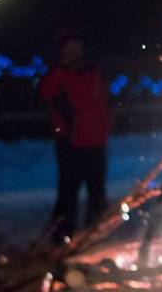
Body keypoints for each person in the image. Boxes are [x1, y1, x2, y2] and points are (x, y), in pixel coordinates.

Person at [39, 30, 111, 242]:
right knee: (68, 194)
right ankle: (61, 237)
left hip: (96, 142)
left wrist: (105, 127)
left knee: (97, 193)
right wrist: (62, 69)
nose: (74, 50)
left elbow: (102, 102)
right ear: (62, 50)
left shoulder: (93, 71)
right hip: (71, 143)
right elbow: (45, 93)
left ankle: (94, 235)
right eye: (69, 46)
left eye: (77, 45)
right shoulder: (58, 74)